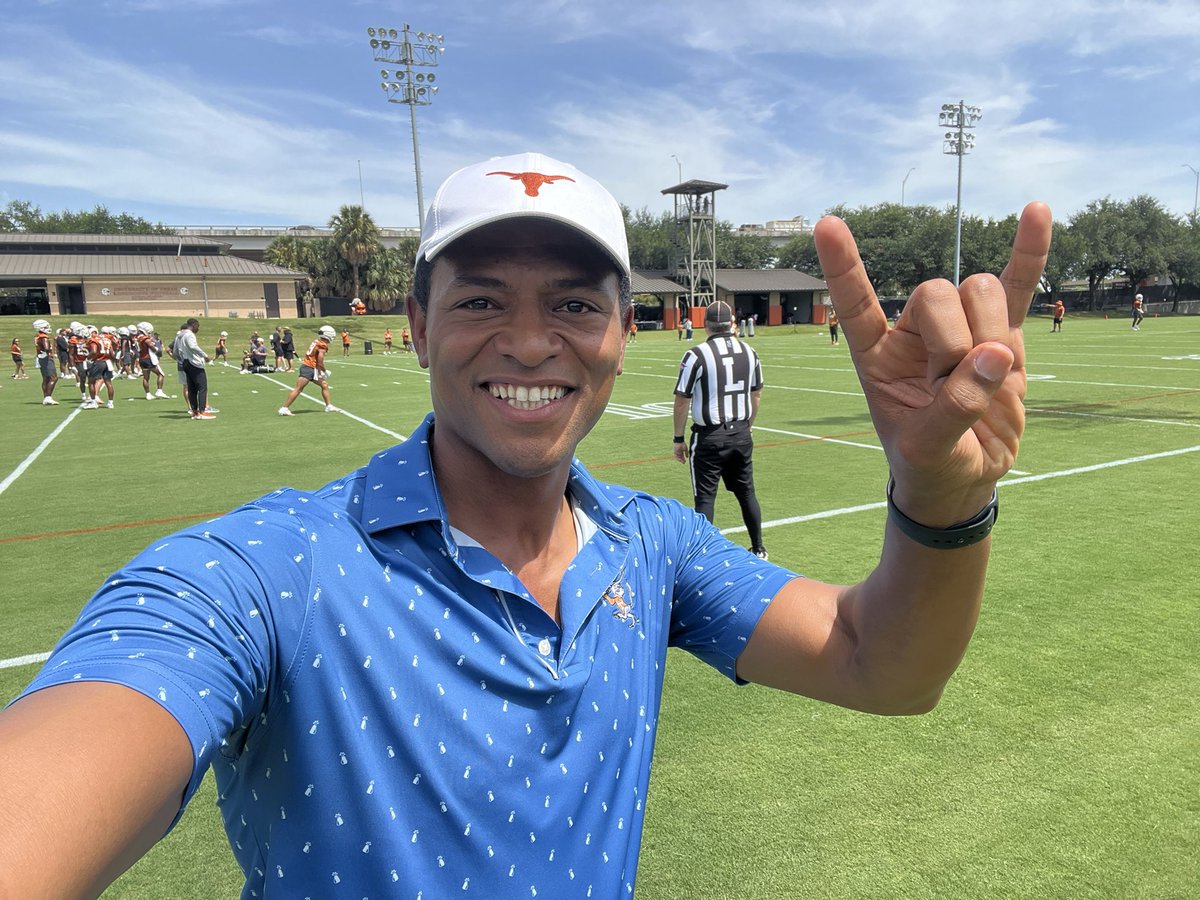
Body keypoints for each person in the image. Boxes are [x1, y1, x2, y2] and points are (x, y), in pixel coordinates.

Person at [0, 151, 1052, 899]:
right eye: (479, 302)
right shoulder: (264, 571)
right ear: (414, 325)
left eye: (576, 305)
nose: (532, 341)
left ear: (621, 334)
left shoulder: (654, 545)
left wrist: (944, 497)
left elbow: (888, 668)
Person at [672, 300, 769, 559]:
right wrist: (748, 426)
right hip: (740, 432)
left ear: (706, 325)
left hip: (710, 436)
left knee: (705, 498)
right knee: (747, 493)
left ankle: (703, 556)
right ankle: (759, 547)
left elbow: (683, 398)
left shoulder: (697, 354)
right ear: (732, 322)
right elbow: (756, 395)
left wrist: (678, 438)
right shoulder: (750, 352)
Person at [278, 325, 336, 415]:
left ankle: (328, 406)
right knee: (298, 389)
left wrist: (320, 371)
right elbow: (320, 362)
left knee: (324, 385)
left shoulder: (317, 341)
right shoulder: (322, 345)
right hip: (308, 368)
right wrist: (325, 370)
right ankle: (284, 408)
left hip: (312, 369)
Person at [175, 318, 214, 419]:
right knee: (202, 387)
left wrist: (181, 359)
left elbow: (175, 351)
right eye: (198, 326)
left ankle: (195, 412)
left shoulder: (179, 336)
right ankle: (202, 412)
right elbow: (193, 347)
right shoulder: (189, 334)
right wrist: (205, 356)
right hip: (194, 363)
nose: (198, 328)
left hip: (185, 362)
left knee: (192, 389)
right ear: (193, 325)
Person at [136, 322, 169, 400]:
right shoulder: (145, 339)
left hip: (142, 359)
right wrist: (156, 349)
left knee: (146, 377)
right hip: (148, 359)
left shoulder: (137, 338)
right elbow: (151, 346)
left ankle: (148, 394)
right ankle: (159, 391)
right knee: (161, 374)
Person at [33, 319, 59, 404]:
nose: (48, 328)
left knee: (46, 378)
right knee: (53, 377)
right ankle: (48, 397)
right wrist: (49, 353)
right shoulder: (43, 337)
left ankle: (46, 397)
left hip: (41, 357)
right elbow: (46, 347)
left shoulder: (37, 336)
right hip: (46, 358)